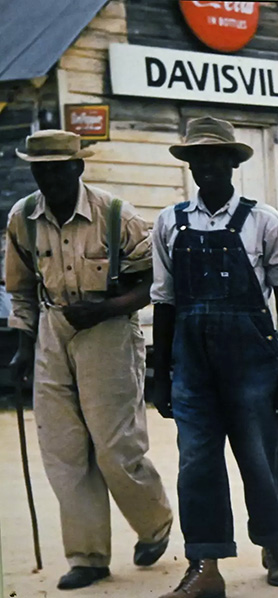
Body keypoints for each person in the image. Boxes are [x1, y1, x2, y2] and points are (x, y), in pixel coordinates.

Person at [6, 129, 173, 590]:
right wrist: (24, 346)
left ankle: (155, 523)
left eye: (59, 168)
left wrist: (107, 309)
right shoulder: (23, 218)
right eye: (41, 169)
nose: (50, 178)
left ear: (79, 167)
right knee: (63, 451)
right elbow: (21, 289)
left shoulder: (117, 215)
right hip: (52, 330)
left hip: (108, 330)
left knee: (115, 446)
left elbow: (156, 283)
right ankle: (88, 556)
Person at [151, 116, 278, 597]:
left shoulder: (264, 221)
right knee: (196, 460)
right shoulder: (170, 222)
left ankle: (273, 542)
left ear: (234, 164)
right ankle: (204, 563)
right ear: (191, 166)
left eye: (217, 157)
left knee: (260, 455)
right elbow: (164, 299)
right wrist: (161, 374)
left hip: (252, 362)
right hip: (191, 364)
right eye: (199, 159)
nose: (208, 166)